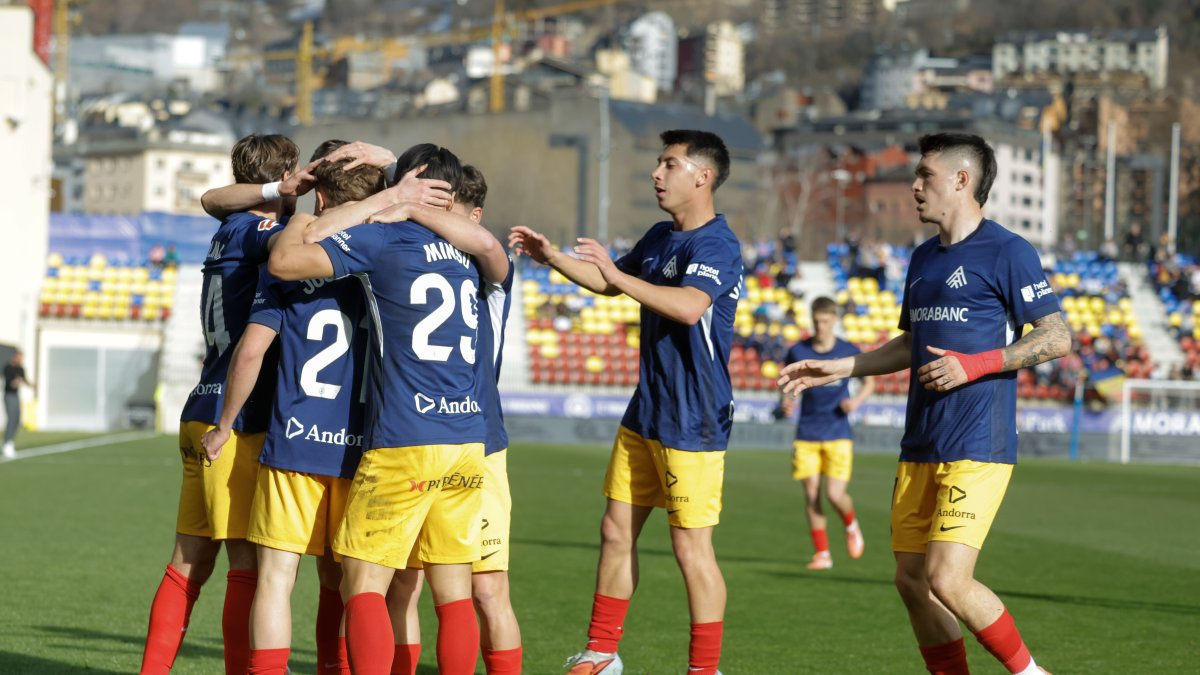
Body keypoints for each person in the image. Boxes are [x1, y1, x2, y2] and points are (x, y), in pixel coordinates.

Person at [779, 132, 1070, 675]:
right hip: (920, 444)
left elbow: (1056, 337)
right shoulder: (921, 258)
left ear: (962, 180)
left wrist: (975, 364)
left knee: (947, 578)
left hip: (977, 443)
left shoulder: (1009, 251)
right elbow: (910, 344)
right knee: (911, 581)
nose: (914, 186)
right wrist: (842, 366)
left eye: (924, 175)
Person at [269, 143, 510, 675]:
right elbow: (493, 247)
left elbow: (285, 261)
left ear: (409, 185)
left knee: (362, 583)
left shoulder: (382, 239)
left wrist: (386, 202)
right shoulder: (472, 254)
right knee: (453, 591)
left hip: (406, 437)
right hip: (468, 441)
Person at [509, 129, 742, 675]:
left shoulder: (717, 244)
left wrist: (615, 273)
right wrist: (552, 257)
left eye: (670, 164)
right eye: (658, 163)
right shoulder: (661, 235)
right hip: (647, 410)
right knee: (615, 530)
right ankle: (602, 653)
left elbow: (688, 307)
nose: (657, 173)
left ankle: (704, 670)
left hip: (694, 417)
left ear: (703, 177)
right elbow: (609, 283)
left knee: (690, 550)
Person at [198, 140, 383, 675]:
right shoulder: (388, 256)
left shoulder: (287, 263)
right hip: (361, 445)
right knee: (350, 582)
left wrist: (224, 425)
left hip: (296, 439)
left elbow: (251, 350)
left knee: (276, 579)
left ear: (318, 195)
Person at [140, 133, 300, 675]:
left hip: (199, 408)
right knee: (248, 565)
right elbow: (296, 246)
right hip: (234, 421)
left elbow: (212, 199)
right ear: (286, 174)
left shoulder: (228, 227)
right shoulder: (260, 232)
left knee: (187, 562)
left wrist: (279, 192)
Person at [371, 163, 523, 675]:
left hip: (483, 445)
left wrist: (410, 207)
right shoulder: (422, 263)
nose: (431, 221)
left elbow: (483, 245)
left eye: (444, 211)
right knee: (404, 584)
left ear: (473, 218)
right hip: (426, 438)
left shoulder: (489, 273)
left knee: (487, 588)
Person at [784, 296, 874, 570]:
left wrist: (855, 402)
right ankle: (822, 554)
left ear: (834, 320)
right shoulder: (798, 350)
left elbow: (869, 381)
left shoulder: (848, 350)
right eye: (816, 321)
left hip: (838, 431)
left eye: (824, 321)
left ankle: (851, 524)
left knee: (834, 495)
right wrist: (786, 400)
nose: (820, 326)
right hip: (807, 432)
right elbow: (787, 382)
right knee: (812, 495)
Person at [3, 349, 32, 458]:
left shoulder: (20, 369)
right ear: (15, 357)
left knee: (17, 419)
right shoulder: (8, 368)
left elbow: (24, 380)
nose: (21, 360)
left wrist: (31, 385)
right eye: (19, 357)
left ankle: (11, 442)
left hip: (16, 396)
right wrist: (16, 382)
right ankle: (7, 444)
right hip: (9, 395)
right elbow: (10, 383)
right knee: (11, 418)